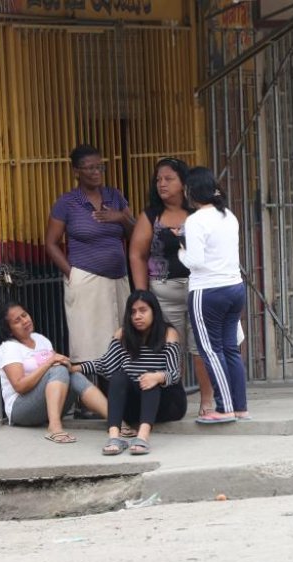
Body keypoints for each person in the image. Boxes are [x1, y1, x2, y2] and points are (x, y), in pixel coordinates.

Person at [128, 157, 219, 417]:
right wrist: (142, 294)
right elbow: (137, 254)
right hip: (163, 293)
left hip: (198, 290)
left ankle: (206, 399)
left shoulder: (198, 213)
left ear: (184, 183)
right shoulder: (151, 216)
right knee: (169, 348)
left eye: (169, 179)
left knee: (199, 347)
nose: (162, 184)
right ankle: (174, 400)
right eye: (158, 179)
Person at [46, 144, 135, 364]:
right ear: (76, 171)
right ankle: (89, 398)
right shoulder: (67, 203)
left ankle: (112, 398)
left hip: (118, 279)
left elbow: (136, 234)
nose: (96, 172)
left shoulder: (115, 196)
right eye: (90, 168)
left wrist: (121, 218)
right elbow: (51, 243)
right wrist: (72, 274)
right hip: (86, 280)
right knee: (88, 349)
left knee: (120, 346)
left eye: (100, 167)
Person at [74, 291, 187, 456]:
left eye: (143, 310)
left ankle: (143, 437)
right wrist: (75, 368)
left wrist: (157, 377)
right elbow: (106, 365)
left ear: (154, 311)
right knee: (119, 377)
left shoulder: (168, 333)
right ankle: (114, 437)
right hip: (134, 406)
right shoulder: (123, 334)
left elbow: (174, 373)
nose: (137, 316)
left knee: (149, 379)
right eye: (133, 312)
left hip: (167, 405)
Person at [178, 167, 249, 424]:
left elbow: (194, 261)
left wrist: (181, 250)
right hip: (234, 287)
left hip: (207, 290)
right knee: (230, 349)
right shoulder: (228, 215)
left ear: (191, 191)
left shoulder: (195, 220)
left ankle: (224, 407)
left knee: (210, 350)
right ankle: (240, 406)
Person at [0, 300, 108, 444]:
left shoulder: (40, 339)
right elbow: (20, 387)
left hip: (47, 407)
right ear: (9, 329)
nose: (24, 321)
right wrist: (49, 363)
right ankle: (54, 427)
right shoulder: (9, 348)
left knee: (72, 374)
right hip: (21, 409)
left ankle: (114, 420)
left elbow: (56, 367)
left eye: (24, 315)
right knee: (57, 369)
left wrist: (65, 364)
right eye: (17, 321)